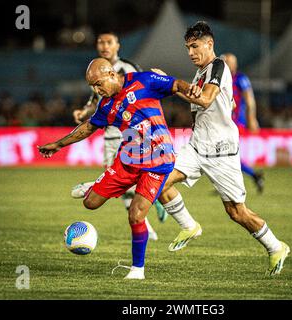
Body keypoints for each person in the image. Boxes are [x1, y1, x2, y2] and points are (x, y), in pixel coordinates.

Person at [38, 58, 202, 280]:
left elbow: (175, 84)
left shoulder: (144, 81)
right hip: (128, 161)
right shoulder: (106, 106)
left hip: (157, 162)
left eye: (98, 84)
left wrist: (191, 90)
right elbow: (88, 127)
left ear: (112, 74)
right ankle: (100, 185)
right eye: (92, 87)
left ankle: (137, 270)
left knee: (135, 216)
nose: (97, 90)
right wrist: (58, 144)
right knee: (90, 203)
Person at [156, 21, 290, 276]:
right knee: (158, 180)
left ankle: (275, 247)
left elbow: (205, 99)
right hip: (197, 148)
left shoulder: (218, 66)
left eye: (195, 46)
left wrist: (172, 82)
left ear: (209, 44)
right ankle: (189, 225)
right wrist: (170, 86)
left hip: (222, 153)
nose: (190, 52)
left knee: (237, 213)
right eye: (187, 48)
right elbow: (196, 98)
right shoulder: (200, 72)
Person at [70, 32, 168, 241]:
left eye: (109, 42)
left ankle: (149, 214)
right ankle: (151, 210)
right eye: (100, 42)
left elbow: (146, 90)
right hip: (109, 133)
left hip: (131, 136)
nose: (104, 46)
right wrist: (85, 111)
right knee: (116, 178)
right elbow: (95, 101)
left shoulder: (128, 69)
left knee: (118, 177)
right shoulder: (95, 72)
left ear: (117, 46)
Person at [221, 53, 264, 193]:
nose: (227, 64)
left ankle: (249, 177)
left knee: (228, 153)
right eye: (226, 61)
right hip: (224, 122)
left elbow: (250, 99)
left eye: (229, 62)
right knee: (226, 153)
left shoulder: (240, 78)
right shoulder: (222, 78)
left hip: (236, 122)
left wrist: (252, 119)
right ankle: (236, 180)